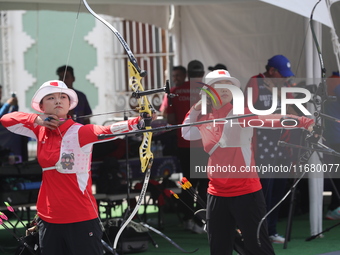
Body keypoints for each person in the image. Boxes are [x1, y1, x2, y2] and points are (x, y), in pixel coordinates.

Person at [0, 80, 153, 255]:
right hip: (48, 217)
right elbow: (6, 119)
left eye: (63, 97)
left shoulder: (79, 131)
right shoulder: (39, 130)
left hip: (80, 217)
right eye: (51, 97)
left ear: (69, 104)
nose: (58, 100)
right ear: (41, 106)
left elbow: (107, 130)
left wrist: (138, 122)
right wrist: (36, 119)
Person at [182, 69, 314, 255]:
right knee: (219, 249)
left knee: (258, 248)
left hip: (246, 192)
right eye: (219, 85)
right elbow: (186, 132)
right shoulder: (204, 119)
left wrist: (304, 122)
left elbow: (270, 119)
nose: (226, 88)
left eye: (229, 85)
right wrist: (197, 107)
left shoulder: (241, 115)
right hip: (216, 194)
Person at [244, 55, 295, 244]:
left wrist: (280, 94)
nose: (285, 78)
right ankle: (258, 232)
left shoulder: (285, 85)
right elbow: (246, 113)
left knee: (278, 192)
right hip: (262, 147)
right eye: (282, 74)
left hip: (283, 146)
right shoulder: (255, 82)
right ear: (272, 71)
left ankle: (271, 231)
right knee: (263, 192)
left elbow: (294, 111)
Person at [166, 60, 209, 233]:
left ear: (188, 73)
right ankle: (202, 221)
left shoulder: (176, 91)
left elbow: (169, 120)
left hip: (184, 143)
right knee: (205, 185)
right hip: (205, 143)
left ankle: (187, 219)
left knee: (188, 183)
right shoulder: (209, 91)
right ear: (203, 72)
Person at [324, 71, 340, 220]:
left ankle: (334, 207)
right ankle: (334, 207)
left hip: (333, 137)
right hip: (336, 137)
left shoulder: (332, 81)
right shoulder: (336, 82)